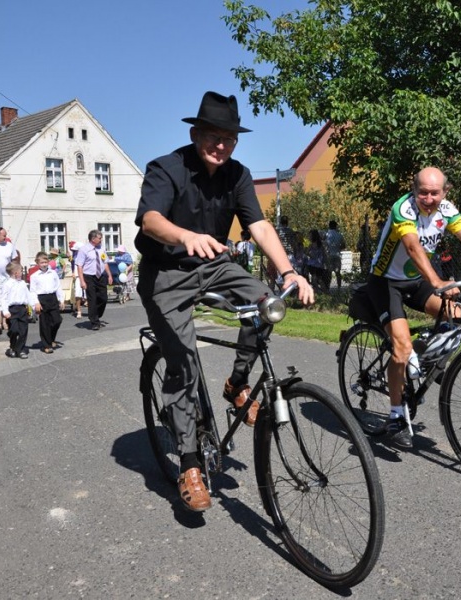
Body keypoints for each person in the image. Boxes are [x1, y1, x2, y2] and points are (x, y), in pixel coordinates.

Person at [134, 90, 314, 512]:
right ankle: (190, 464)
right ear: (196, 134)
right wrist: (187, 236)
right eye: (213, 137)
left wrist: (289, 271)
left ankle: (236, 383)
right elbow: (151, 220)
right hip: (166, 273)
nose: (221, 146)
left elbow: (260, 226)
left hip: (213, 266)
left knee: (268, 304)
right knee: (184, 362)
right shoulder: (167, 168)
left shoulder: (238, 174)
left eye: (229, 138)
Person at [366, 167, 461, 448]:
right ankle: (395, 415)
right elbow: (414, 248)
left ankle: (426, 355)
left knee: (459, 316)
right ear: (414, 190)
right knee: (401, 348)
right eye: (423, 192)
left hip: (416, 281)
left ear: (445, 192)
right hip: (386, 282)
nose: (428, 198)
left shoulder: (448, 210)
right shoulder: (402, 209)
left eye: (435, 193)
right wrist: (439, 281)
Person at [76, 230, 112, 330]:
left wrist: (109, 275)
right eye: (99, 238)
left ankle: (97, 314)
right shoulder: (84, 250)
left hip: (100, 276)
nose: (101, 240)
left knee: (103, 298)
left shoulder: (101, 249)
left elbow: (105, 262)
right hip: (89, 276)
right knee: (92, 299)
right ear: (93, 239)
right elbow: (79, 266)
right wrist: (82, 281)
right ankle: (94, 322)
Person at [29, 251, 65, 353]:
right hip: (42, 299)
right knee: (45, 323)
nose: (44, 264)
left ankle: (51, 338)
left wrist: (61, 300)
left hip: (52, 298)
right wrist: (36, 303)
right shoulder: (35, 276)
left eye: (45, 262)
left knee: (57, 320)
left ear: (48, 262)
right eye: (42, 263)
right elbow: (33, 291)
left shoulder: (53, 273)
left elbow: (58, 286)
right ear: (37, 263)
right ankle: (46, 345)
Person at [0, 262, 36, 359]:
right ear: (15, 273)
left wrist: (33, 307)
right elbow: (3, 298)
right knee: (14, 330)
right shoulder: (7, 284)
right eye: (20, 271)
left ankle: (20, 350)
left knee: (23, 331)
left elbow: (28, 295)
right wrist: (5, 311)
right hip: (12, 310)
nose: (22, 273)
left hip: (22, 309)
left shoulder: (23, 283)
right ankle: (13, 346)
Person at [324, 220, 346, 289]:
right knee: (338, 272)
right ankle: (339, 287)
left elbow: (324, 244)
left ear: (329, 226)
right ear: (336, 226)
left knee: (328, 272)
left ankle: (328, 287)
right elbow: (343, 246)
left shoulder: (326, 234)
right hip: (337, 254)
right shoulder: (339, 235)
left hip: (329, 254)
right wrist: (337, 247)